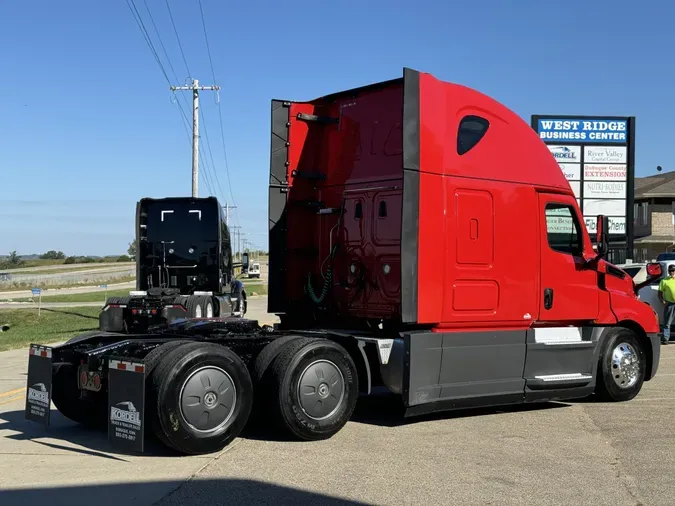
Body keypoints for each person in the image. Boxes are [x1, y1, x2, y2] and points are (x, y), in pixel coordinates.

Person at [657, 264, 675, 344]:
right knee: (667, 323)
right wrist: (662, 301)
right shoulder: (664, 281)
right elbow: (659, 293)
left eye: (673, 270)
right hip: (670, 304)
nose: (672, 272)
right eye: (671, 271)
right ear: (668, 271)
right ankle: (665, 338)